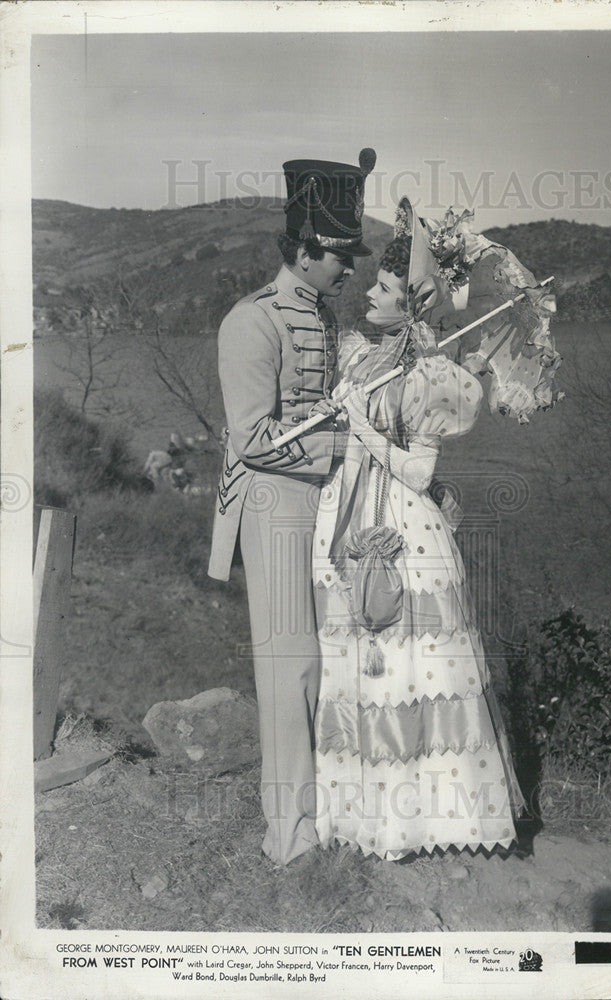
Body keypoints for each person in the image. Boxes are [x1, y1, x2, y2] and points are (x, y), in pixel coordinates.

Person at [312, 199, 526, 861]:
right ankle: (365, 814)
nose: (368, 292)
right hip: (357, 519)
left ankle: (426, 820)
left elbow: (413, 473)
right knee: (364, 670)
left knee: (412, 671)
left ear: (406, 306)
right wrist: (336, 416)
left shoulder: (432, 376)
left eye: (381, 287)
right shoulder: (368, 363)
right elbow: (349, 438)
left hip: (406, 533)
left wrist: (363, 428)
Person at [207, 150, 376, 866]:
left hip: (322, 500)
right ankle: (289, 839)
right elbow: (251, 440)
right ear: (304, 252)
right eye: (337, 257)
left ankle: (328, 815)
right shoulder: (251, 322)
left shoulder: (323, 314)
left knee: (332, 658)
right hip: (274, 503)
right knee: (291, 667)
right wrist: (338, 449)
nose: (347, 270)